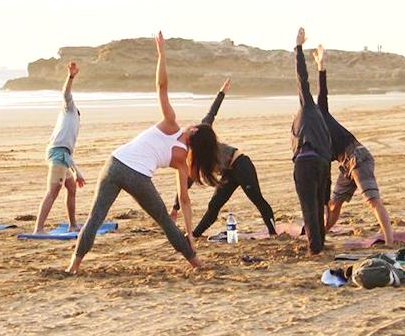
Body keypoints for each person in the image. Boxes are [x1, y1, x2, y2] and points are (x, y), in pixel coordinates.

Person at [67, 32, 200, 274]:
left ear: (192, 132)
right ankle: (195, 261)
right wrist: (190, 233)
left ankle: (73, 266)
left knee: (95, 218)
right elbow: (184, 200)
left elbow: (161, 87)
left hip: (114, 163)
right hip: (137, 175)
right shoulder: (183, 162)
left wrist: (161, 55)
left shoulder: (171, 124)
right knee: (164, 220)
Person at [169, 79, 276, 238]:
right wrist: (175, 207)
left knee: (257, 199)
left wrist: (221, 93)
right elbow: (187, 182)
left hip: (241, 164)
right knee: (214, 205)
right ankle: (195, 234)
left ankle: (273, 232)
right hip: (229, 173)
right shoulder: (196, 154)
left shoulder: (203, 133)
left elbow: (212, 113)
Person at [312, 44, 393, 244]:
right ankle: (321, 235)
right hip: (345, 164)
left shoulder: (320, 112)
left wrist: (321, 66)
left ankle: (390, 241)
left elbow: (323, 92)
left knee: (372, 201)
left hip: (358, 156)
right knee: (334, 204)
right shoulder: (315, 140)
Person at [291, 28, 331, 254]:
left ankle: (315, 247)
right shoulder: (321, 112)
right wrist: (321, 67)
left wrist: (298, 48)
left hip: (306, 162)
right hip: (322, 164)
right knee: (316, 205)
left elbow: (301, 80)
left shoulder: (307, 106)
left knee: (309, 207)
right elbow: (323, 92)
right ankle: (320, 243)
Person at [33, 61, 86, 234]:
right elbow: (65, 93)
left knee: (71, 188)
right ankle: (38, 229)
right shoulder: (69, 109)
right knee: (53, 191)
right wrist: (70, 76)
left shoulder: (74, 121)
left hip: (62, 155)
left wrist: (76, 171)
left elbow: (67, 154)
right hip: (57, 154)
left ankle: (72, 224)